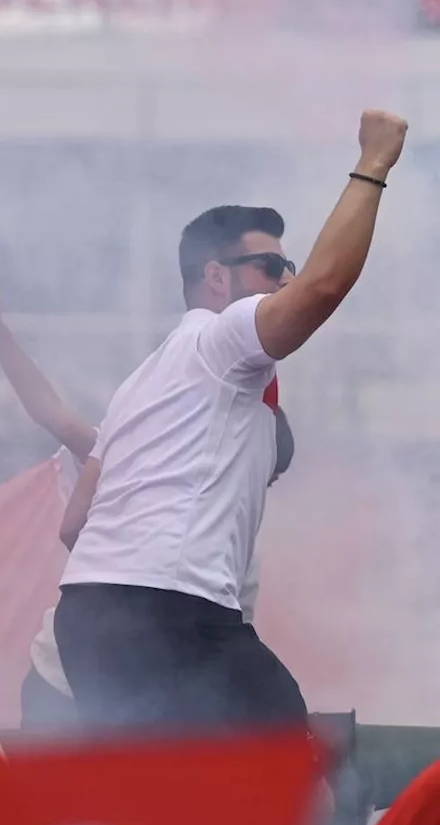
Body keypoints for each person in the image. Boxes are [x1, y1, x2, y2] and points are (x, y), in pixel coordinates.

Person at [53, 110, 407, 734]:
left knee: (170, 800)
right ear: (215, 279)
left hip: (89, 614)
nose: (286, 279)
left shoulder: (142, 382)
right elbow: (322, 289)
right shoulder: (220, 340)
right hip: (169, 609)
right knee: (292, 778)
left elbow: (74, 524)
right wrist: (372, 165)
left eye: (287, 266)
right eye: (270, 269)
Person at [0, 261, 295, 734]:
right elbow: (53, 415)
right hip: (62, 682)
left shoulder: (228, 560)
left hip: (117, 684)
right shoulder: (141, 464)